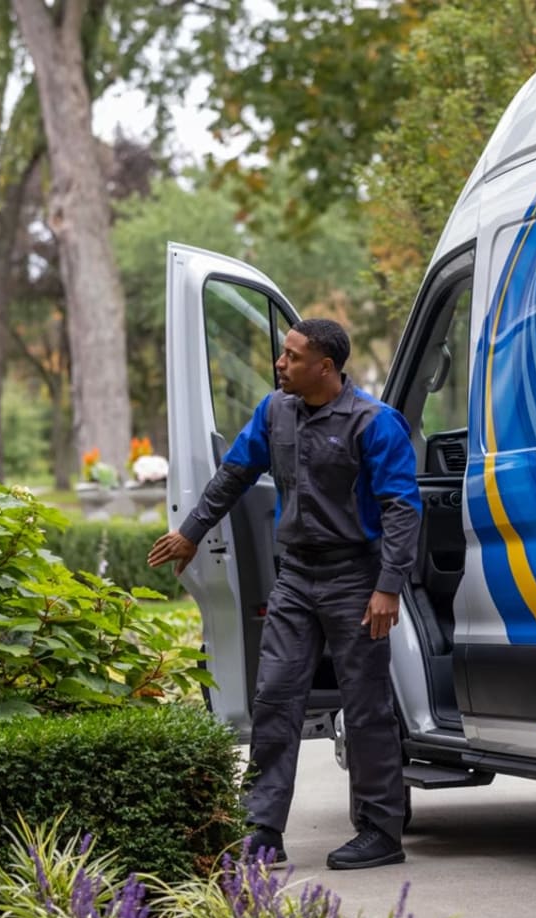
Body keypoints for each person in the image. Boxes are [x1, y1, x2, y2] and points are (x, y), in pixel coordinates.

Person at [147, 318, 420, 870]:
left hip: (355, 578)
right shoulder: (275, 412)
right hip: (295, 576)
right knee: (274, 699)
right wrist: (191, 534)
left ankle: (380, 832)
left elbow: (401, 508)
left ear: (325, 366)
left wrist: (388, 588)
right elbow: (234, 474)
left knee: (366, 707)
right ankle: (262, 831)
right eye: (283, 354)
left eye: (293, 357)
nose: (280, 363)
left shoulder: (374, 424)